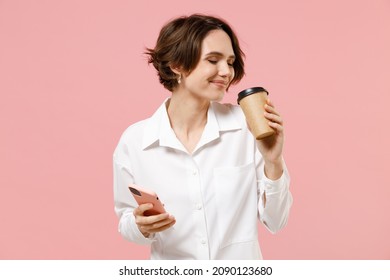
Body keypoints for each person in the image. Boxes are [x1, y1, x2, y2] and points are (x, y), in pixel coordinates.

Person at [113, 14, 293, 260]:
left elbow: (276, 221)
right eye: (213, 60)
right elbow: (126, 222)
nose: (226, 71)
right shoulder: (135, 141)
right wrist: (140, 226)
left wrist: (274, 162)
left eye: (230, 62)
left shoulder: (246, 126)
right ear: (177, 64)